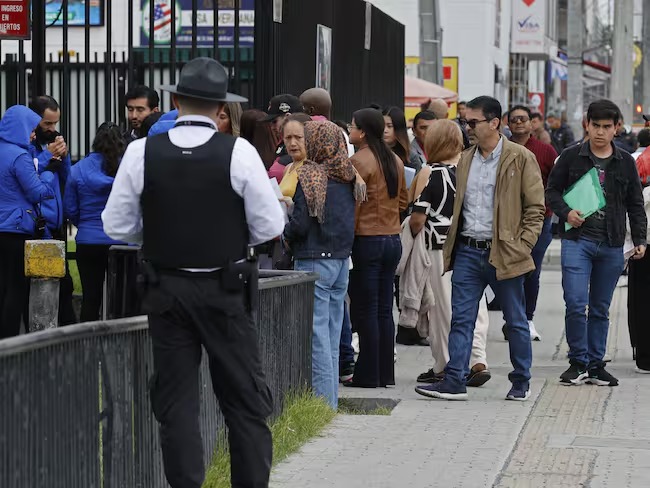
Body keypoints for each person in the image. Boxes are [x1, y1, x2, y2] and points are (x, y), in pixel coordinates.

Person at [102, 57, 284, 488]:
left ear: (176, 100)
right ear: (221, 108)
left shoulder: (141, 151)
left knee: (176, 403)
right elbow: (270, 226)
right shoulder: (237, 152)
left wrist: (160, 225)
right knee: (243, 401)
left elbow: (117, 225)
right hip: (225, 290)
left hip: (166, 291)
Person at [416, 96, 545, 402]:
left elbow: (536, 208)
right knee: (461, 319)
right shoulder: (465, 159)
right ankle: (455, 381)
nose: (468, 128)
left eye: (473, 122)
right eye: (465, 122)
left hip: (505, 253)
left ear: (494, 123)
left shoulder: (519, 157)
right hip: (468, 252)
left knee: (515, 320)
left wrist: (522, 245)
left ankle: (521, 381)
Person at [546, 99, 647, 387]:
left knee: (600, 308)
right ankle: (577, 362)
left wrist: (640, 238)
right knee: (576, 303)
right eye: (595, 126)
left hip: (612, 243)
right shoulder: (570, 156)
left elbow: (635, 203)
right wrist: (567, 212)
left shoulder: (625, 161)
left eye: (607, 126)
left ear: (617, 128)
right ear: (586, 125)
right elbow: (552, 191)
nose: (600, 132)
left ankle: (595, 364)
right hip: (578, 241)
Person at [405, 120, 491, 388]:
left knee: (442, 310)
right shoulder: (473, 170)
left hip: (440, 248)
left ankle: (444, 365)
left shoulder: (433, 173)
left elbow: (418, 217)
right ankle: (478, 360)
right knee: (475, 308)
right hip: (473, 246)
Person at [282, 121, 356, 408]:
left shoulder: (311, 174)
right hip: (340, 260)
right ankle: (332, 401)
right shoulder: (348, 174)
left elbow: (301, 222)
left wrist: (287, 236)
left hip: (314, 258)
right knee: (333, 333)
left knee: (317, 338)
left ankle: (323, 406)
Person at [345, 108, 408, 388]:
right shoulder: (394, 159)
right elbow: (404, 200)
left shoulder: (358, 161)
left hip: (367, 240)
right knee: (384, 309)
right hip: (392, 239)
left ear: (362, 132)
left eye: (352, 125)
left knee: (365, 309)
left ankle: (368, 374)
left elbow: (354, 205)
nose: (349, 128)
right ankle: (385, 373)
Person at [502, 105, 558, 342]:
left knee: (531, 270)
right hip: (506, 220)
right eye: (514, 120)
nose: (518, 123)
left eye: (523, 119)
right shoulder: (500, 149)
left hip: (538, 220)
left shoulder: (545, 151)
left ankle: (527, 318)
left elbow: (557, 182)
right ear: (507, 123)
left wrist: (551, 208)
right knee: (507, 272)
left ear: (533, 122)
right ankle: (511, 319)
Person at [0, 105, 55, 338]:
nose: (34, 134)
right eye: (31, 129)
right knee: (16, 289)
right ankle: (10, 344)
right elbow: (36, 192)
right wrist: (49, 174)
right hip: (17, 228)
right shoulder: (20, 155)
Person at [64, 122, 126, 323]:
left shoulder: (78, 169)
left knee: (91, 298)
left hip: (89, 240)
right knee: (122, 300)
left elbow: (70, 208)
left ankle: (88, 349)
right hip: (123, 242)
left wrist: (85, 225)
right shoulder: (127, 168)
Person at [28, 95, 77, 326]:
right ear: (35, 121)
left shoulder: (55, 141)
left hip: (57, 226)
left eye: (55, 123)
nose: (53, 129)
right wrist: (48, 155)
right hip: (37, 227)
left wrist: (64, 158)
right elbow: (30, 179)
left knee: (65, 285)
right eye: (47, 124)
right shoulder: (26, 145)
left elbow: (67, 180)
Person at [300, 87, 355, 156]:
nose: (299, 113)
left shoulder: (322, 135)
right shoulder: (341, 132)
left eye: (301, 108)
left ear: (311, 110)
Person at [265, 94, 305, 181]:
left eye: (274, 122)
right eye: (288, 138)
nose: (293, 143)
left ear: (288, 117)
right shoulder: (280, 143)